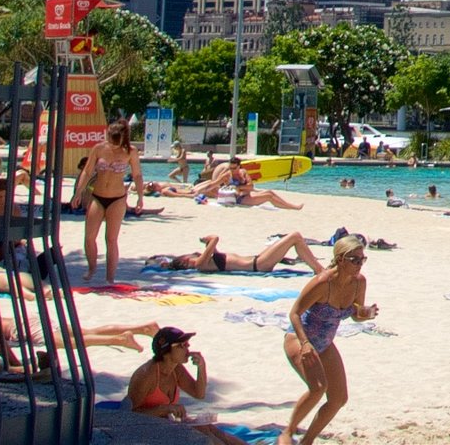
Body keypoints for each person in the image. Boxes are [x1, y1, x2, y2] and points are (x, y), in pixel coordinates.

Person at [281, 236, 377, 445]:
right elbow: (295, 313)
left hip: (325, 343)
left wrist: (366, 313)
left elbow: (355, 314)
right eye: (355, 260)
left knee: (339, 399)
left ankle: (307, 440)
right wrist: (305, 344)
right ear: (341, 259)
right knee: (318, 388)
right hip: (300, 339)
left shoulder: (359, 282)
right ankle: (287, 432)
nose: (360, 264)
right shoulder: (323, 282)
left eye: (363, 259)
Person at [75, 120, 142, 284]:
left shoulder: (130, 152)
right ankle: (92, 268)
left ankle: (110, 277)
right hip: (98, 196)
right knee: (89, 237)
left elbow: (137, 175)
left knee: (111, 239)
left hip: (117, 198)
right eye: (111, 140)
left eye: (116, 141)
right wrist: (78, 193)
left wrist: (140, 197)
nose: (112, 144)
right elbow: (87, 170)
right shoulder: (99, 149)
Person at [152, 232, 322, 274]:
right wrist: (207, 239)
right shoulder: (199, 264)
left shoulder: (206, 262)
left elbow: (214, 249)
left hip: (258, 259)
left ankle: (317, 268)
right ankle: (319, 269)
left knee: (294, 238)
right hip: (258, 265)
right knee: (295, 237)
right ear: (186, 261)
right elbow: (215, 239)